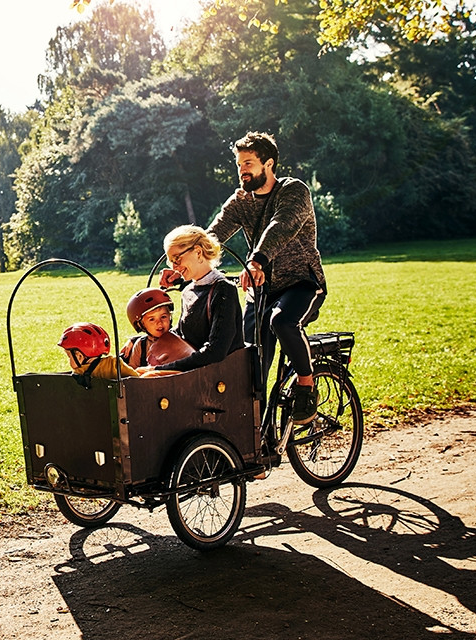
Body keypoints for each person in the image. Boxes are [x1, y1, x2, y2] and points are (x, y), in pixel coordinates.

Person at [204, 131, 326, 423]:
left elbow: (281, 225)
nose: (242, 170)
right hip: (260, 290)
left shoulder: (294, 191)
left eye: (248, 163)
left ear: (268, 164)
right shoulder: (241, 200)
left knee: (281, 321)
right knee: (249, 364)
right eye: (239, 164)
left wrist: (257, 260)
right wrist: (182, 260)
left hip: (301, 282)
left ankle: (307, 386)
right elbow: (214, 234)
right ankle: (257, 440)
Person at [151, 226, 244, 375]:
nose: (175, 267)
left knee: (146, 377)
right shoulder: (188, 291)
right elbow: (182, 336)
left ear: (198, 252)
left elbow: (216, 352)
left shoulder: (223, 290)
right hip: (197, 372)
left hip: (221, 378)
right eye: (171, 262)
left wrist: (160, 370)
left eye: (177, 259)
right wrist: (141, 342)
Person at [119, 288, 195, 370]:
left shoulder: (178, 340)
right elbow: (132, 371)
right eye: (152, 319)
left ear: (170, 317)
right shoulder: (141, 345)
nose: (159, 323)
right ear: (141, 325)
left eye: (163, 317)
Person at [58, 322, 157, 383]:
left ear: (79, 356)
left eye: (69, 356)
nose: (69, 361)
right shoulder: (113, 364)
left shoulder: (78, 375)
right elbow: (136, 380)